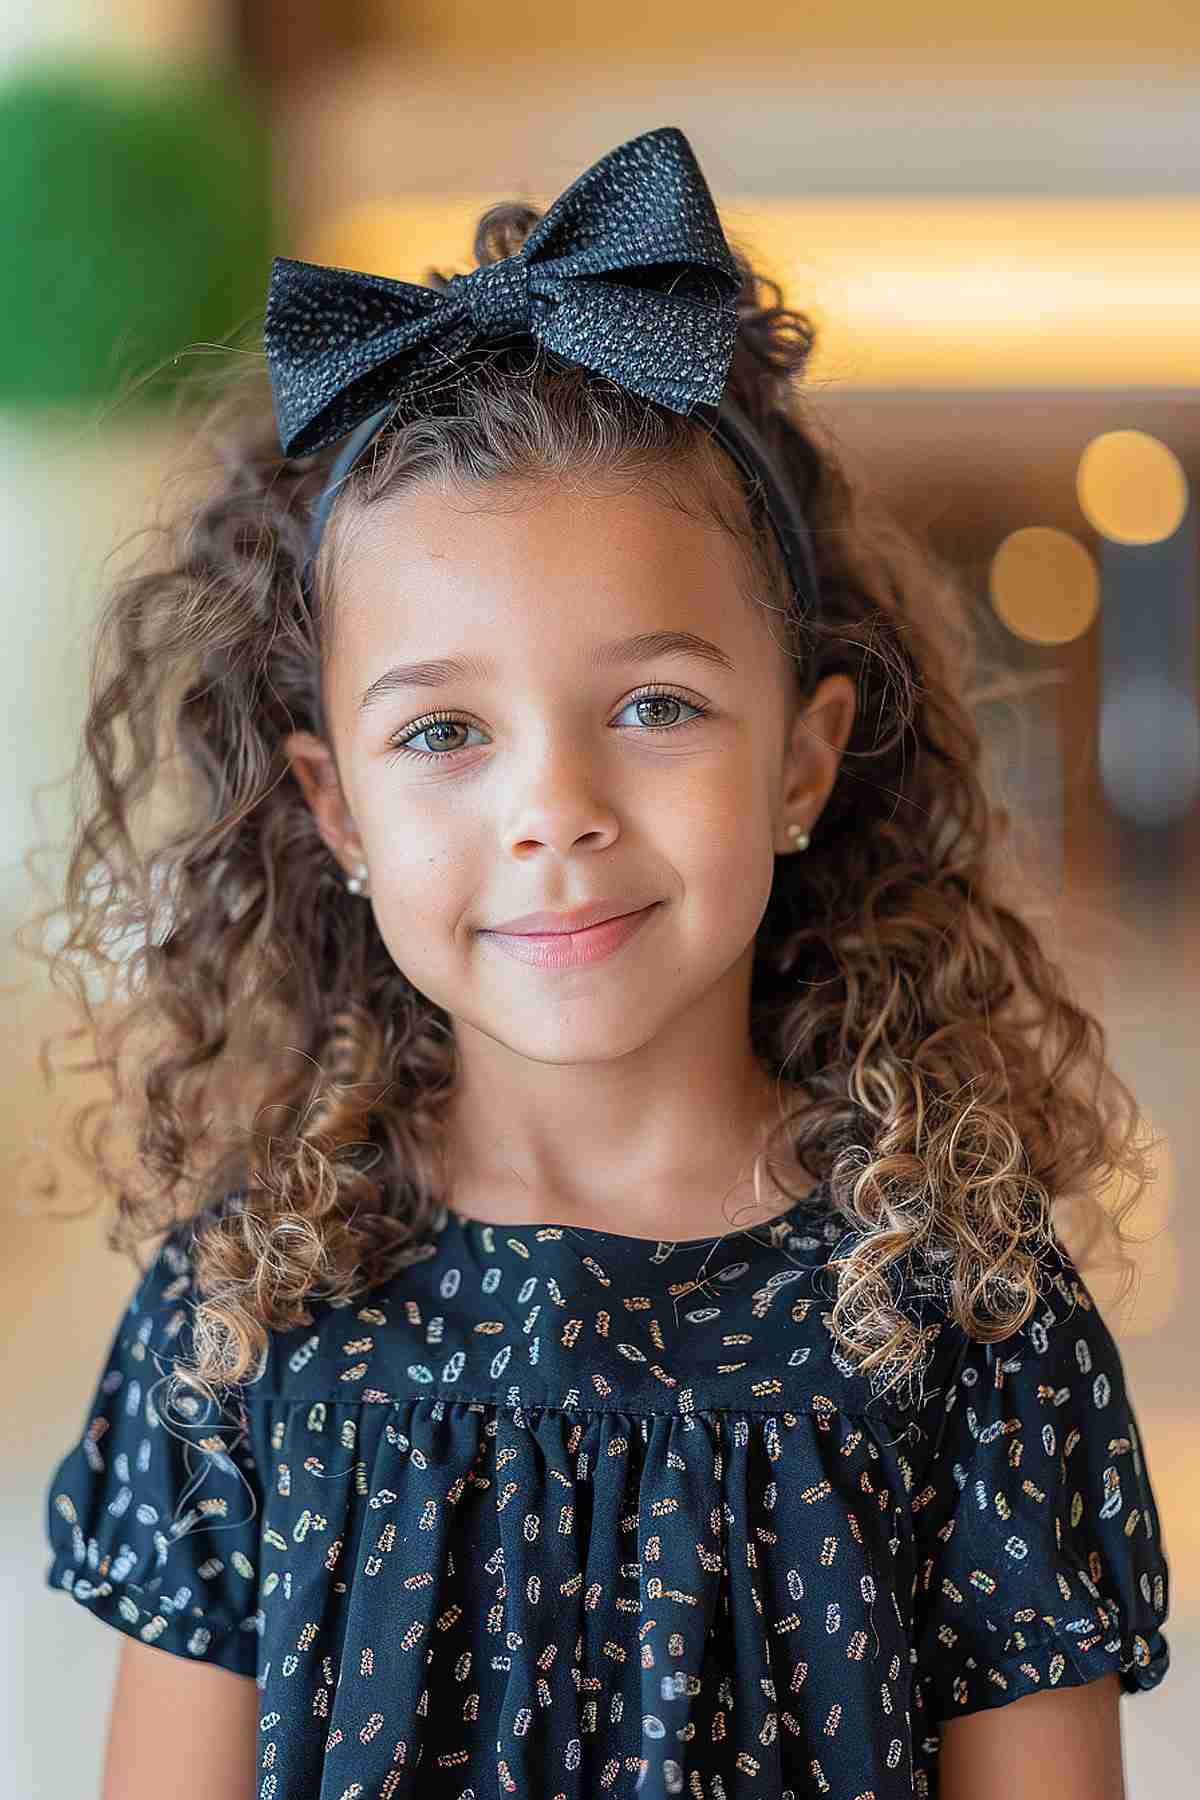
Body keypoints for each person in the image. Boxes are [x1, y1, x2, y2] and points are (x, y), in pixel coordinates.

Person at [37, 126, 1170, 1799]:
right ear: (331, 808)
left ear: (801, 759)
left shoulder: (963, 1321)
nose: (552, 811)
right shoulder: (241, 1323)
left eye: (653, 706)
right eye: (444, 731)